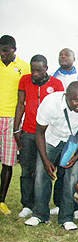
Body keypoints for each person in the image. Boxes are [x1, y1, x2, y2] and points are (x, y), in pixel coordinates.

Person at [24, 82, 78, 230]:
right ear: (66, 96)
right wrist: (45, 160)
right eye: (76, 100)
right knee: (41, 174)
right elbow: (39, 132)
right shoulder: (51, 102)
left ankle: (66, 217)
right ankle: (40, 214)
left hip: (74, 142)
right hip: (51, 139)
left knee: (72, 177)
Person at [15, 54, 64, 218]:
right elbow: (20, 104)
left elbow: (60, 109)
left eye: (39, 70)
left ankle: (41, 204)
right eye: (33, 70)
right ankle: (27, 204)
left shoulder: (56, 84)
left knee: (44, 169)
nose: (35, 74)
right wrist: (17, 129)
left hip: (48, 134)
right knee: (27, 169)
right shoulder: (25, 80)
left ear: (47, 69)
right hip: (28, 131)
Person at [0, 35, 30, 215]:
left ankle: (1, 201)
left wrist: (20, 123)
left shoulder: (25, 68)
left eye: (5, 51)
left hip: (12, 120)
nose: (2, 54)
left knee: (8, 163)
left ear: (14, 50)